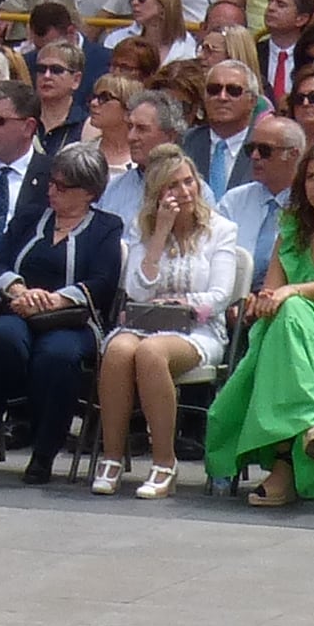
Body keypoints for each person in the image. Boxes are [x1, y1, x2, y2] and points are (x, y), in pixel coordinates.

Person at [204, 135, 314, 508]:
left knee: (291, 314)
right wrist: (267, 300)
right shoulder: (291, 228)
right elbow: (273, 290)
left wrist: (288, 294)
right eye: (311, 178)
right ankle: (307, 430)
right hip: (294, 329)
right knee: (288, 317)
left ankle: (289, 453)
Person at [0, 143, 125, 486]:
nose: (51, 191)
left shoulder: (106, 228)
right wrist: (19, 290)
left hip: (71, 318)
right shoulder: (30, 216)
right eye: (51, 182)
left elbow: (102, 281)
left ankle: (44, 452)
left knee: (57, 356)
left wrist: (54, 300)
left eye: (62, 186)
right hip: (19, 307)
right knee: (2, 337)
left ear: (88, 192)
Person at [92, 149, 240, 500]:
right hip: (148, 321)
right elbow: (136, 288)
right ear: (158, 194)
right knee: (117, 350)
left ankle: (164, 462)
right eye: (173, 185)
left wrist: (182, 303)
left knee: (150, 353)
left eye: (189, 181)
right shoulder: (143, 229)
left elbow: (220, 294)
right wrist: (160, 234)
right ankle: (112, 458)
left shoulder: (221, 230)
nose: (185, 191)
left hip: (197, 328)